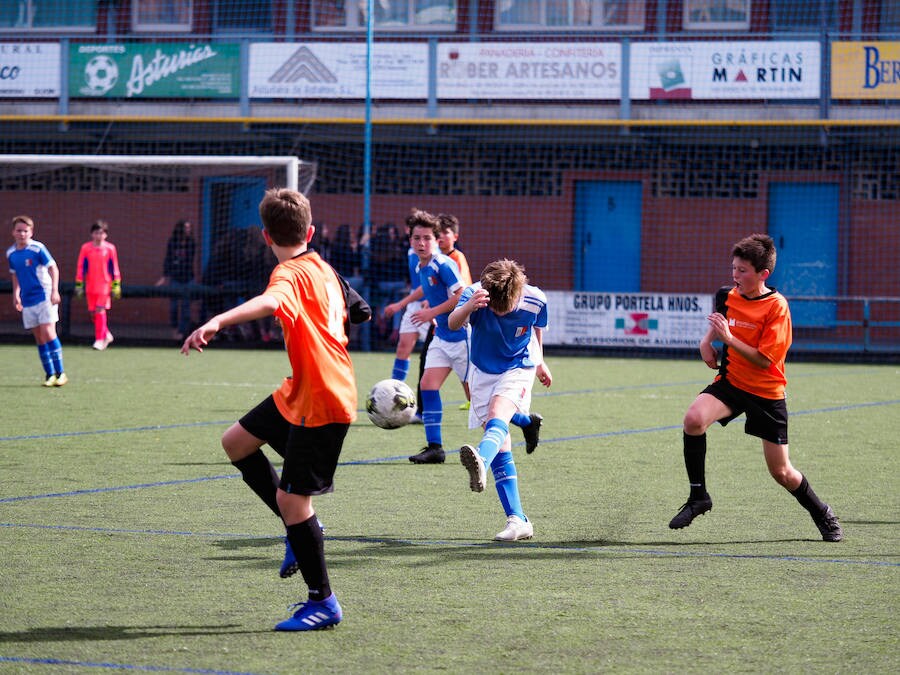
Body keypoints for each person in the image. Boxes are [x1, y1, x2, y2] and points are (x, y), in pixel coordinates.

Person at [182, 187, 368, 631]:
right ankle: (298, 529)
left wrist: (216, 320)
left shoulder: (286, 276)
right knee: (237, 443)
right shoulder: (324, 266)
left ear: (266, 236)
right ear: (311, 231)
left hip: (323, 397)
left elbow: (271, 302)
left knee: (292, 498)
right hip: (302, 388)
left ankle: (322, 600)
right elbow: (360, 310)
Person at [668, 233, 843, 542]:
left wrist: (729, 339)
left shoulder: (777, 308)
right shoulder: (727, 294)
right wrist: (706, 342)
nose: (735, 276)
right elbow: (720, 319)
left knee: (782, 472)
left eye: (743, 271)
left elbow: (765, 360)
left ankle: (821, 512)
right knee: (693, 420)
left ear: (764, 274)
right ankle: (699, 497)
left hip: (766, 392)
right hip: (732, 382)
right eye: (734, 268)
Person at [449, 259, 552, 541]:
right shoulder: (475, 295)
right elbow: (452, 322)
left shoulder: (536, 299)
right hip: (482, 371)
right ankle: (518, 520)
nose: (500, 312)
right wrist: (469, 307)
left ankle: (481, 457)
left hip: (519, 367)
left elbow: (536, 328)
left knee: (498, 413)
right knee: (500, 437)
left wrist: (540, 361)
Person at [402, 208, 469, 464]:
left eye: (427, 238)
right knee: (428, 386)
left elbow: (461, 295)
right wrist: (430, 311)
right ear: (411, 240)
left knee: (478, 398)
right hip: (442, 337)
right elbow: (432, 293)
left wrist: (432, 312)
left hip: (462, 337)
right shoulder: (421, 264)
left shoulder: (443, 264)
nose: (422, 243)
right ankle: (435, 448)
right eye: (417, 238)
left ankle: (524, 421)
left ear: (437, 240)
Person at [7, 214, 68, 386]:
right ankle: (49, 375)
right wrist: (16, 294)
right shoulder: (11, 253)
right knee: (39, 337)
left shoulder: (38, 249)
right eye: (19, 231)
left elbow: (53, 268)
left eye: (25, 231)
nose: (22, 234)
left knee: (48, 332)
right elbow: (15, 275)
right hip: (27, 300)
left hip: (44, 296)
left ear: (31, 232)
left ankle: (61, 373)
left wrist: (55, 291)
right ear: (13, 232)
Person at [75, 220, 122, 351]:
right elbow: (81, 267)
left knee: (100, 310)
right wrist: (79, 284)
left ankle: (99, 339)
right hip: (91, 284)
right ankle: (106, 334)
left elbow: (115, 268)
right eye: (96, 233)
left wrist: (116, 285)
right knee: (93, 313)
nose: (99, 236)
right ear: (92, 234)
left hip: (105, 284)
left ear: (105, 235)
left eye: (101, 233)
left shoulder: (110, 249)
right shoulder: (86, 248)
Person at [155, 219, 197, 341]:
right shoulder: (172, 242)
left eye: (190, 228)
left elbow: (188, 261)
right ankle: (174, 329)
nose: (188, 230)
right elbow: (168, 259)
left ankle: (182, 332)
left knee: (186, 307)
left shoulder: (191, 243)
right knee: (173, 306)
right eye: (186, 228)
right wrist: (164, 277)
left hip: (188, 278)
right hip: (175, 278)